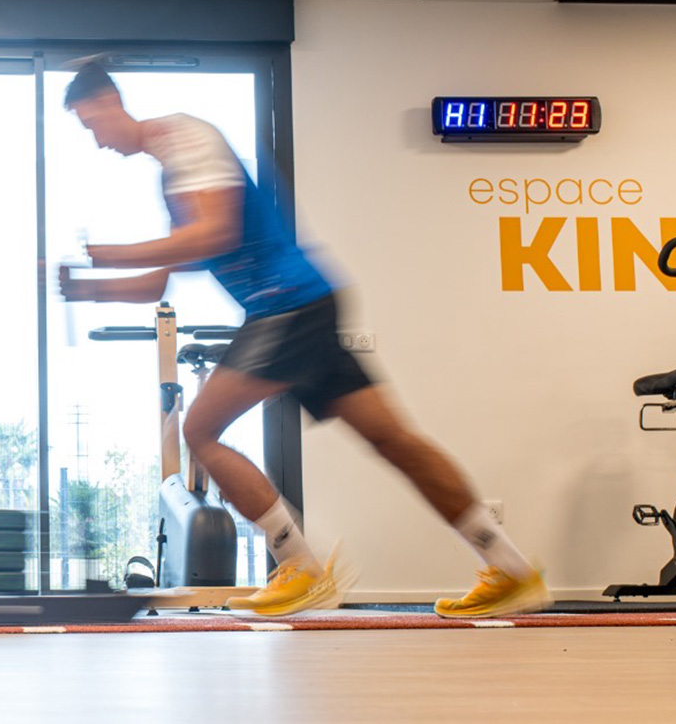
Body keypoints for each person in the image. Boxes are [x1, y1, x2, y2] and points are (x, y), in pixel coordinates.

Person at [58, 62, 551, 618]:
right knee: (393, 440)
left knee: (200, 430)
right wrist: (86, 288)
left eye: (91, 124)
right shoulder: (171, 173)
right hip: (303, 304)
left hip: (283, 305)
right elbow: (161, 279)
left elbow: (213, 235)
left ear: (110, 102)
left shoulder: (183, 137)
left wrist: (110, 253)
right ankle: (512, 569)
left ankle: (302, 567)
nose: (97, 141)